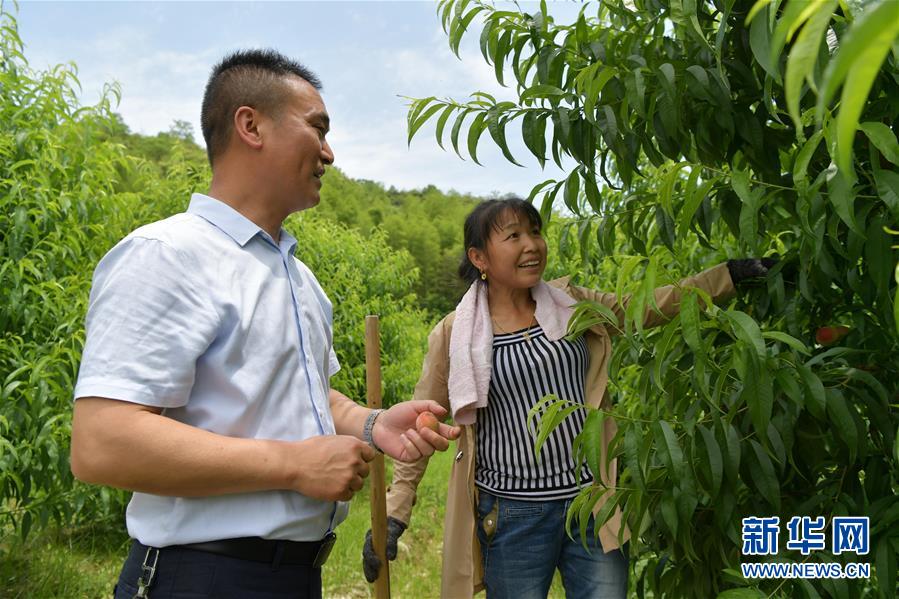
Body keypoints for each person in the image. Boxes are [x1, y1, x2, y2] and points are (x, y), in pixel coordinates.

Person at [70, 49, 460, 599]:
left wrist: (373, 424)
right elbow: (101, 443)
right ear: (250, 124)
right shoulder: (168, 254)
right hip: (200, 575)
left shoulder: (300, 279)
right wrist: (293, 465)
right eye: (317, 128)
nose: (329, 151)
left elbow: (306, 398)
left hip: (296, 576)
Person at [362, 198, 772, 598]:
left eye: (536, 232)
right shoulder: (456, 333)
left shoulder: (570, 304)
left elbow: (641, 309)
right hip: (512, 515)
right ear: (479, 257)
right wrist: (395, 514)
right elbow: (423, 423)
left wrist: (726, 276)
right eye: (514, 236)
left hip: (592, 502)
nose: (531, 245)